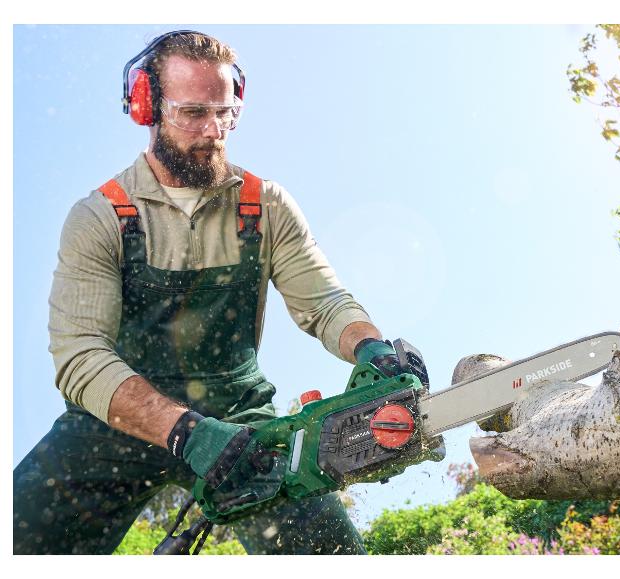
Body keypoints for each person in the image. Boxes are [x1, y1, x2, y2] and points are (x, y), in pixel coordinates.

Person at [13, 30, 420, 555]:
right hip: (116, 424)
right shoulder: (99, 217)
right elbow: (80, 357)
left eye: (225, 113)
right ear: (147, 106)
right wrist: (185, 431)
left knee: (327, 552)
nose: (213, 130)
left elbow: (324, 302)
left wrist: (369, 346)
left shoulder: (266, 205)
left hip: (242, 421)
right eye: (192, 113)